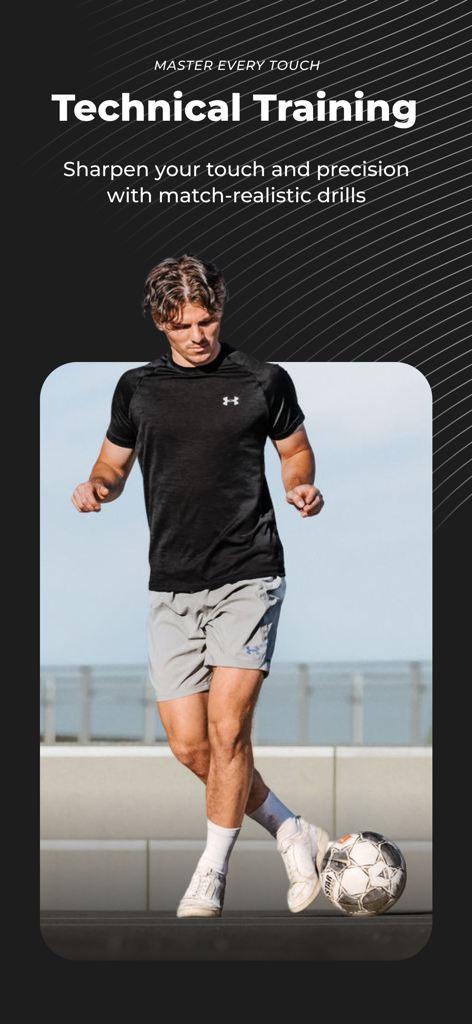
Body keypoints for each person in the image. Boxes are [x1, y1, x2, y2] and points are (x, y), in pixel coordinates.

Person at [71, 252, 328, 918]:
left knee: (227, 729)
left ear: (221, 311)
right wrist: (99, 486)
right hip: (171, 585)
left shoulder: (263, 379)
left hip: (249, 573)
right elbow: (113, 463)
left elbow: (294, 448)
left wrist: (300, 484)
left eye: (208, 319)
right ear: (160, 322)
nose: (199, 335)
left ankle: (209, 874)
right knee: (190, 745)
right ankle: (288, 826)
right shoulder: (136, 389)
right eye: (183, 324)